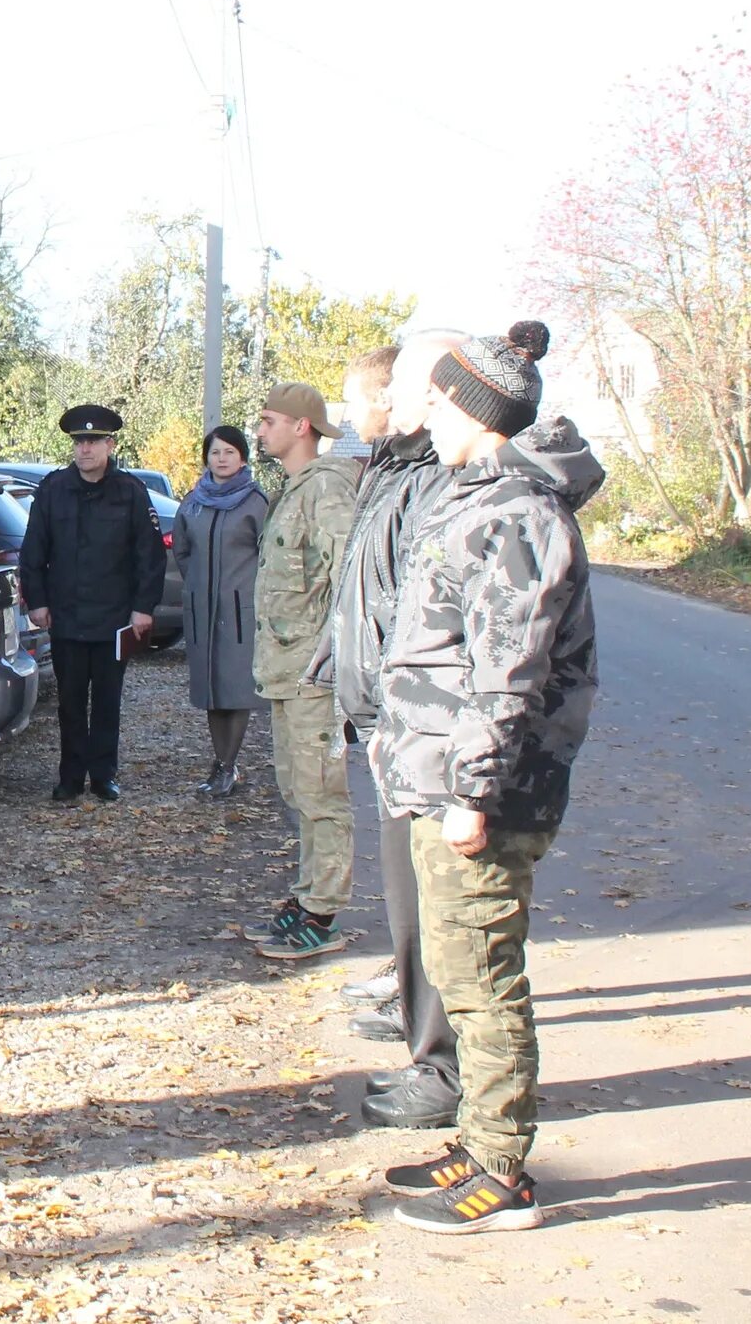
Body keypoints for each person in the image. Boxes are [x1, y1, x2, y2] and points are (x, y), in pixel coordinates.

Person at [376, 324, 600, 1235]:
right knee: (462, 968)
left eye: (433, 400)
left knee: (482, 976)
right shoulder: (475, 497)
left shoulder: (517, 512)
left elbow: (506, 671)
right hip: (443, 778)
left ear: (471, 408)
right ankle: (479, 1141)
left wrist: (472, 793)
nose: (422, 416)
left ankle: (502, 1171)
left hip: (482, 791)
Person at [314, 337, 464, 1125]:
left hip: (418, 727)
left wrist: (392, 712)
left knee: (433, 901)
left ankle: (440, 1066)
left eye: (374, 392)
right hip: (390, 718)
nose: (352, 412)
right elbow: (363, 593)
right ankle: (421, 1028)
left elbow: (422, 614)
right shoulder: (395, 468)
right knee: (410, 898)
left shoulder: (434, 479)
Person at [246, 382, 363, 962]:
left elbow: (348, 586)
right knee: (297, 789)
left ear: (301, 427)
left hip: (315, 673)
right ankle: (307, 894)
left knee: (321, 794)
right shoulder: (292, 490)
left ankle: (324, 911)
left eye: (269, 420)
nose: (259, 430)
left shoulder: (328, 491)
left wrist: (338, 664)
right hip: (286, 669)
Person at [18, 404, 167, 801]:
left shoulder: (130, 492)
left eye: (93, 441)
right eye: (79, 442)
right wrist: (38, 601)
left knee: (106, 702)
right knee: (69, 703)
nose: (85, 449)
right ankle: (70, 777)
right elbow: (34, 551)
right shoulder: (53, 490)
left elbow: (149, 556)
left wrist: (143, 608)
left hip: (114, 617)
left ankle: (103, 775)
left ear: (110, 444)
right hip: (66, 615)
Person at [174, 424, 270, 800]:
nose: (222, 459)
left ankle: (227, 765)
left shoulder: (255, 502)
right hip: (202, 610)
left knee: (235, 688)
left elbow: (268, 555)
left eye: (230, 452)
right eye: (215, 452)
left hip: (240, 610)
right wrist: (198, 586)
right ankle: (222, 761)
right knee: (211, 690)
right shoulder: (193, 501)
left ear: (242, 457)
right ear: (206, 458)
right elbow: (182, 550)